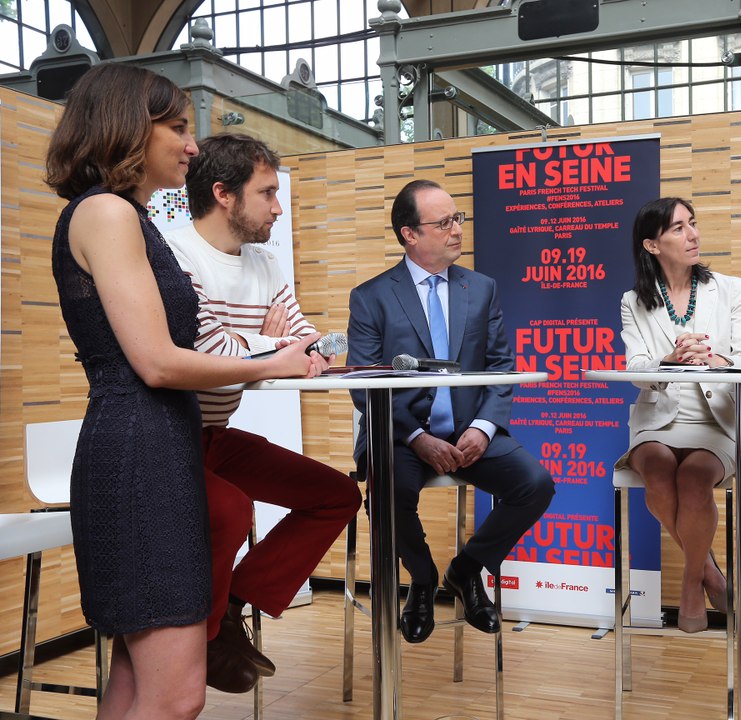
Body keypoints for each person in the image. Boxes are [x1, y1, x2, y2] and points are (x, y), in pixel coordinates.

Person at [46, 64, 321, 720]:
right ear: (125, 129)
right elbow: (158, 363)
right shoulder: (108, 213)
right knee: (175, 697)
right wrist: (269, 363)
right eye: (176, 127)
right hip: (140, 455)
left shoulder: (125, 217)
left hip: (154, 448)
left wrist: (261, 355)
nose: (192, 145)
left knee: (137, 687)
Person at [163, 133, 364, 693]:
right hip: (168, 437)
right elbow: (210, 354)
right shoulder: (176, 256)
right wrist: (268, 351)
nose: (279, 206)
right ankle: (203, 640)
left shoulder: (267, 260)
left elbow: (318, 345)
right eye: (268, 193)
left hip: (215, 433)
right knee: (230, 509)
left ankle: (229, 613)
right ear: (224, 193)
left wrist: (263, 350)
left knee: (337, 495)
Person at [347, 179, 555, 644]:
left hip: (468, 431)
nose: (457, 230)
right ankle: (421, 579)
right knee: (387, 492)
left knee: (535, 484)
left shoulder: (480, 289)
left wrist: (483, 428)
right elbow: (363, 384)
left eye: (458, 219)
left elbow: (501, 367)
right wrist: (417, 438)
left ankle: (466, 569)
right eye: (443, 223)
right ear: (409, 234)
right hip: (400, 433)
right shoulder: (371, 297)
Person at [617, 197, 741, 633]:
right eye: (678, 228)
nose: (693, 234)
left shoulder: (731, 289)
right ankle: (710, 573)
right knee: (659, 470)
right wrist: (669, 360)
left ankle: (689, 582)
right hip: (657, 419)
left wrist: (715, 358)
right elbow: (636, 370)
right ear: (652, 244)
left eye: (692, 224)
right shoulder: (633, 301)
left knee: (694, 478)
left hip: (715, 419)